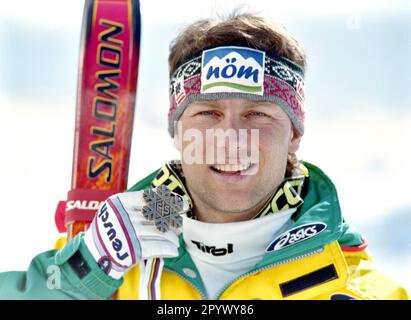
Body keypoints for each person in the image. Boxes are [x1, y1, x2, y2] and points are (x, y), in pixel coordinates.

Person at [0, 12, 408, 300]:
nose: (230, 136)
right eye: (208, 113)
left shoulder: (355, 290)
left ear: (295, 134)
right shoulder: (106, 255)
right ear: (177, 130)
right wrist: (80, 276)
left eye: (257, 114)